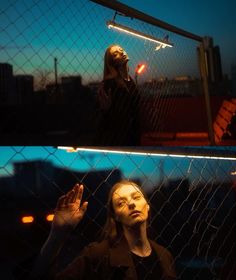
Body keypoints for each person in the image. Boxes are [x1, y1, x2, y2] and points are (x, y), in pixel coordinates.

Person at [31, 181, 176, 279]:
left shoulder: (165, 255)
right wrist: (57, 233)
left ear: (147, 205)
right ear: (116, 216)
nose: (131, 204)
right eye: (121, 203)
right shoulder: (98, 255)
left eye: (136, 197)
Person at [96, 45, 141, 145]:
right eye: (115, 54)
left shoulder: (130, 81)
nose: (121, 52)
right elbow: (108, 121)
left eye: (121, 50)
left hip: (134, 135)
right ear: (112, 63)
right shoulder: (110, 83)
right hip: (121, 138)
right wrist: (105, 110)